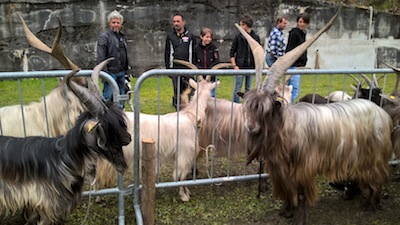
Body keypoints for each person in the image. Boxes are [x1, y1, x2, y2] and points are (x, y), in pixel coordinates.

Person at [96, 10, 130, 109]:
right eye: (113, 22)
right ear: (109, 23)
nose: (115, 25)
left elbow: (125, 54)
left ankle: (120, 115)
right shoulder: (104, 37)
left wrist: (127, 70)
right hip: (110, 72)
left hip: (121, 72)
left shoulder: (122, 37)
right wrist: (105, 74)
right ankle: (104, 115)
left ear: (121, 24)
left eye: (117, 23)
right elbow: (101, 56)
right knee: (107, 96)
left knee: (121, 96)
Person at [164, 13, 197, 109]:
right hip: (175, 69)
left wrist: (193, 68)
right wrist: (169, 69)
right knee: (177, 91)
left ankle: (189, 111)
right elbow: (167, 53)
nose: (176, 23)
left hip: (188, 69)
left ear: (183, 22)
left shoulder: (191, 36)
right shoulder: (170, 36)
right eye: (174, 21)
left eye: (178, 21)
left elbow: (193, 53)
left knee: (189, 91)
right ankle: (178, 111)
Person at [230, 15, 260, 103]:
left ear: (247, 25)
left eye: (242, 25)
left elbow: (258, 52)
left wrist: (257, 65)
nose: (241, 27)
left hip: (251, 67)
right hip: (240, 67)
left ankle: (248, 105)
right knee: (237, 88)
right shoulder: (238, 37)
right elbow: (232, 52)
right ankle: (235, 105)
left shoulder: (255, 37)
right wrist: (235, 65)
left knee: (248, 88)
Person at [286, 12, 310, 102]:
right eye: (300, 22)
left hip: (297, 65)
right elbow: (290, 49)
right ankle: (287, 107)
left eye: (304, 22)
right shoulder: (295, 33)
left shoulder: (302, 33)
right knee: (294, 90)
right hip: (293, 65)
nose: (302, 24)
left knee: (290, 89)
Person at [193, 27, 220, 97]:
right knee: (200, 96)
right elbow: (194, 61)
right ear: (201, 36)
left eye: (210, 37)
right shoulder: (196, 48)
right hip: (200, 78)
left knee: (211, 97)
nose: (208, 39)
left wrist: (210, 72)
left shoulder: (214, 48)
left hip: (211, 78)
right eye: (206, 37)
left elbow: (217, 61)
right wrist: (199, 72)